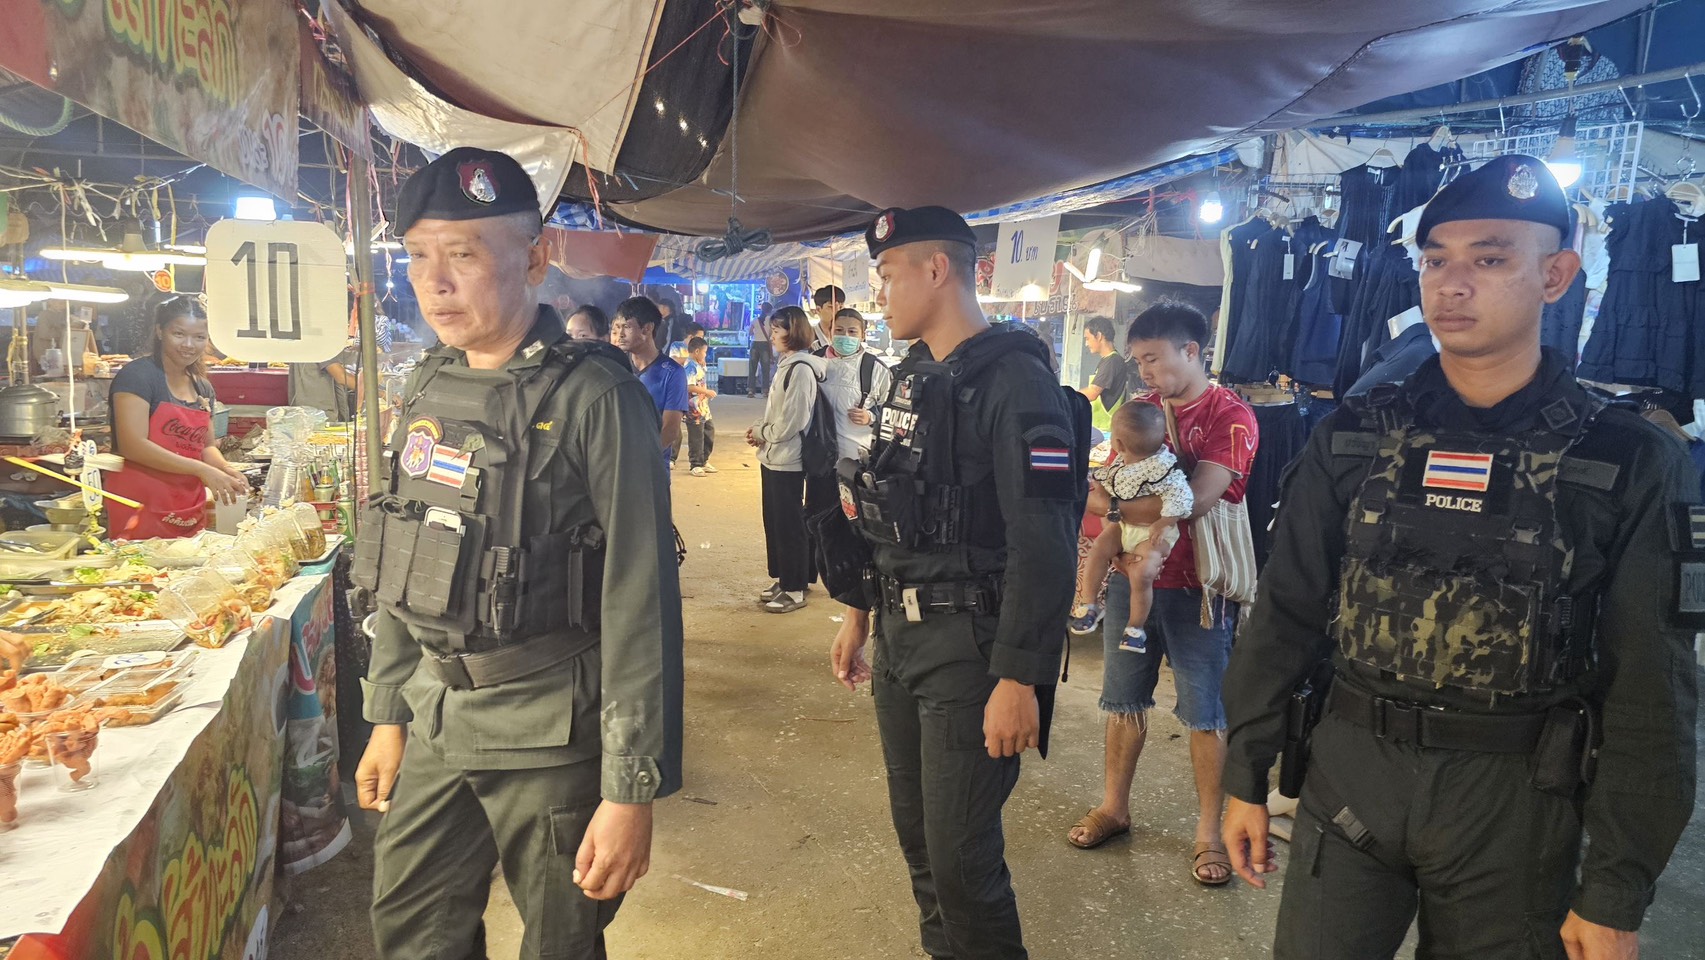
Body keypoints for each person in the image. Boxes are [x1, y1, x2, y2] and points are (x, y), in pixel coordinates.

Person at [1221, 155, 1700, 960]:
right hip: (1352, 775)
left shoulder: (1626, 458)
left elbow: (1653, 687)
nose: (1451, 284)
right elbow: (1285, 612)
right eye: (1435, 261)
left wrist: (1614, 890)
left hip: (1515, 799)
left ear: (1555, 276)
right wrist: (1244, 772)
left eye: (1489, 259)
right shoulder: (1353, 436)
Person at [353, 147, 683, 960]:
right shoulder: (427, 385)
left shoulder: (597, 396)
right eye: (418, 256)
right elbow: (404, 560)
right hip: (438, 716)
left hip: (549, 731)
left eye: (462, 255)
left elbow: (640, 600)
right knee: (411, 933)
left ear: (535, 259)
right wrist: (388, 714)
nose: (435, 282)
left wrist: (629, 790)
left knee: (560, 944)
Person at [829, 206, 1083, 959]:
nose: (877, 295)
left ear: (936, 269)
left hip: (972, 652)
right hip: (901, 641)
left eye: (886, 275)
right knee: (922, 847)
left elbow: (1045, 539)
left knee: (962, 863)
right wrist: (858, 613)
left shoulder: (1017, 383)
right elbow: (887, 505)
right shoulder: (912, 375)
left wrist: (1020, 676)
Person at [1065, 301, 1258, 891]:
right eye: (1139, 361)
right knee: (1122, 700)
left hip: (1200, 589)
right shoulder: (1141, 411)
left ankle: (1208, 832)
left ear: (1191, 351)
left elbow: (1193, 501)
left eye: (1152, 358)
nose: (1144, 371)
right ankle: (1114, 807)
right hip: (1132, 580)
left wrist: (1115, 508)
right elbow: (1100, 486)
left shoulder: (1232, 416)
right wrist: (1113, 512)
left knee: (1206, 712)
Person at [107, 297, 250, 539]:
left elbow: (206, 447)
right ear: (160, 331)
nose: (189, 345)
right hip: (140, 502)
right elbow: (133, 446)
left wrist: (225, 469)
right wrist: (202, 470)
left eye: (199, 337)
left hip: (187, 504)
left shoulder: (202, 387)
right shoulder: (138, 376)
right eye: (179, 334)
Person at [1068, 402, 1194, 651]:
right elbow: (1105, 486)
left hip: (1153, 532)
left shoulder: (1163, 467)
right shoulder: (1121, 463)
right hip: (1124, 527)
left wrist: (1164, 521)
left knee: (1142, 573)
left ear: (1118, 443)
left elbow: (1183, 498)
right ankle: (1088, 604)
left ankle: (1135, 627)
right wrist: (1104, 496)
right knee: (1099, 549)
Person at [748, 306, 830, 614]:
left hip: (788, 458)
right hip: (773, 455)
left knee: (789, 524)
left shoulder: (801, 370)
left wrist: (763, 432)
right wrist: (763, 432)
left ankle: (795, 588)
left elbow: (793, 420)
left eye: (777, 330)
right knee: (776, 521)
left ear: (793, 332)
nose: (772, 336)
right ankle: (787, 579)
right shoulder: (786, 365)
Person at [612, 297, 688, 462]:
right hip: (614, 464)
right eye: (617, 328)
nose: (620, 335)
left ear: (647, 328)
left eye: (627, 327)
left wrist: (640, 460)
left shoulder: (673, 373)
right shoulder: (614, 367)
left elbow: (670, 430)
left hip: (652, 467)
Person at [818, 307, 893, 457]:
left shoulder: (876, 369)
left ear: (863, 335)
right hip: (818, 453)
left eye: (852, 331)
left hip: (854, 455)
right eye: (839, 330)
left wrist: (871, 416)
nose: (845, 336)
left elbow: (890, 411)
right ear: (830, 332)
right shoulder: (815, 361)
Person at [1079, 314, 1131, 436]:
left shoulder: (1112, 361)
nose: (1086, 343)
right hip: (1100, 426)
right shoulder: (1107, 360)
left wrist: (1065, 395)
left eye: (1087, 338)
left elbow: (1092, 393)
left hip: (1106, 429)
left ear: (1098, 336)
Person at [287, 338, 360, 421]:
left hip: (306, 412)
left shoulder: (305, 341)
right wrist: (370, 389)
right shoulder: (320, 345)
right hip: (320, 414)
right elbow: (341, 377)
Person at [683, 336, 717, 477]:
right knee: (696, 436)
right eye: (704, 352)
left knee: (709, 432)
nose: (705, 355)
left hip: (703, 408)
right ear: (697, 351)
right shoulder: (690, 366)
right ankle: (695, 464)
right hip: (694, 408)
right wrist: (706, 392)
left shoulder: (698, 364)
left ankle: (704, 460)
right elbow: (689, 386)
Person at [747, 302, 776, 397]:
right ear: (770, 310)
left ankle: (751, 390)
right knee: (765, 369)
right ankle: (765, 391)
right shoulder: (771, 320)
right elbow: (771, 333)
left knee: (752, 368)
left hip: (754, 344)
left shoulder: (755, 320)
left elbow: (750, 333)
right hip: (765, 345)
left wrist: (756, 332)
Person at [812, 284, 845, 350]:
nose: (837, 311)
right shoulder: (808, 337)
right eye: (831, 307)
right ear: (818, 310)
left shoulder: (846, 336)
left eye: (840, 307)